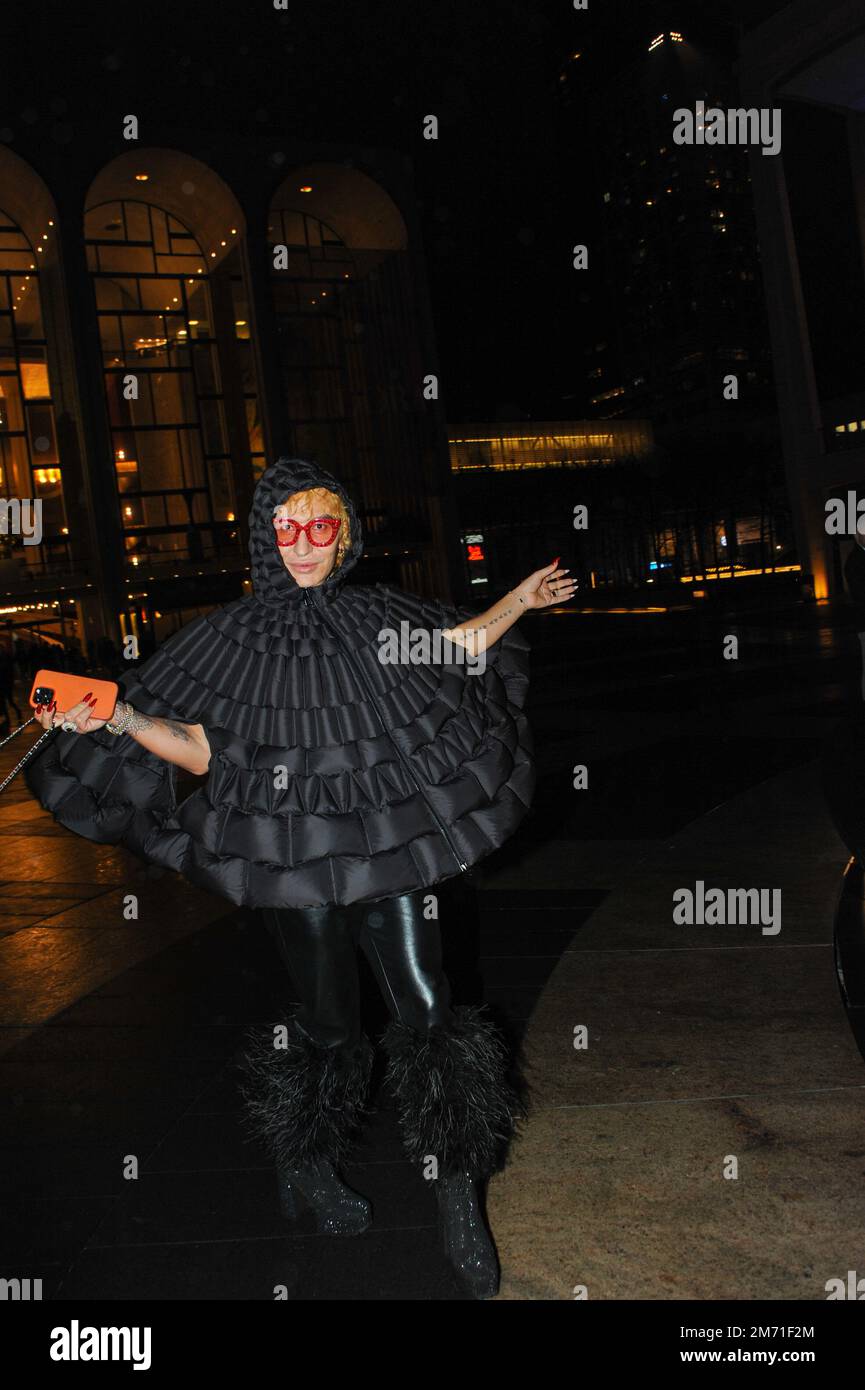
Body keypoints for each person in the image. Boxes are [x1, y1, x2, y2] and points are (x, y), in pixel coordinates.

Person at [25, 455, 575, 1299]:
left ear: (345, 533)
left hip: (385, 849)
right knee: (329, 1028)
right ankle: (305, 1162)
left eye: (321, 524)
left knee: (428, 1010)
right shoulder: (231, 637)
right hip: (291, 863)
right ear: (264, 537)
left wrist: (517, 601)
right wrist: (120, 714)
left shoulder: (377, 617)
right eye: (286, 526)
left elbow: (455, 648)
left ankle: (458, 1196)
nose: (303, 543)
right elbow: (203, 750)